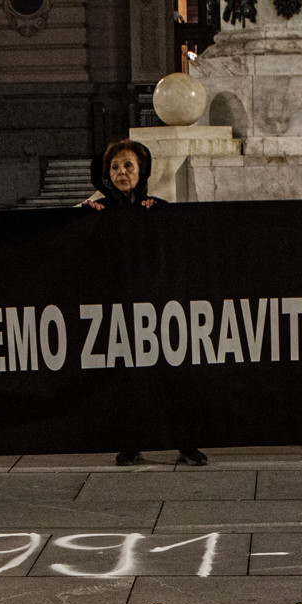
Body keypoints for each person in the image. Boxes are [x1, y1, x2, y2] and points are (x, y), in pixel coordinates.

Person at [79, 139, 208, 467]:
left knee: (170, 376)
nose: (122, 172)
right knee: (124, 379)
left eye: (128, 166)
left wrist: (159, 214)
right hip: (117, 310)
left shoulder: (157, 206)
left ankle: (185, 442)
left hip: (156, 309)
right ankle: (129, 443)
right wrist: (84, 218)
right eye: (115, 167)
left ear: (142, 171)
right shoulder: (99, 211)